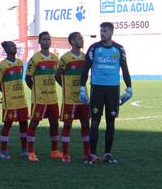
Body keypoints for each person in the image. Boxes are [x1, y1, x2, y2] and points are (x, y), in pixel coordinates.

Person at [80, 22, 132, 164]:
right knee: (95, 121)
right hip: (97, 89)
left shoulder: (119, 49)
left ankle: (108, 154)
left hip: (113, 90)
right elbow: (85, 70)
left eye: (105, 30)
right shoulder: (94, 48)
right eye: (101, 30)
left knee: (111, 122)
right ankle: (92, 154)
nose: (102, 33)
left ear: (111, 32)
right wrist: (82, 88)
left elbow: (125, 69)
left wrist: (129, 88)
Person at [25, 31, 62, 162]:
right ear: (39, 42)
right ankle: (30, 152)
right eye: (44, 39)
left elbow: (57, 76)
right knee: (34, 123)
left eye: (48, 39)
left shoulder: (55, 58)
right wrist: (35, 90)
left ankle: (54, 151)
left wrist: (63, 86)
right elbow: (28, 78)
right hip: (39, 98)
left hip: (52, 98)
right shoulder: (34, 59)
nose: (47, 41)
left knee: (54, 123)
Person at [55, 32, 91, 163]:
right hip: (69, 99)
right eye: (79, 38)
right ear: (71, 41)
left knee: (86, 124)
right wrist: (65, 87)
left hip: (83, 98)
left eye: (82, 38)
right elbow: (57, 75)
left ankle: (87, 153)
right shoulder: (65, 58)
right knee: (67, 125)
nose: (81, 40)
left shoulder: (85, 57)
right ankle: (65, 154)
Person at [0, 41, 29, 160]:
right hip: (10, 101)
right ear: (6, 50)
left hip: (21, 100)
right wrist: (5, 93)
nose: (14, 47)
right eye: (11, 46)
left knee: (24, 124)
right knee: (7, 125)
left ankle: (24, 150)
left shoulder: (20, 63)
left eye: (14, 46)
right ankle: (3, 151)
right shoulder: (2, 66)